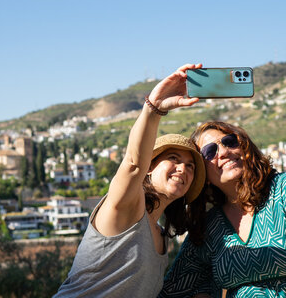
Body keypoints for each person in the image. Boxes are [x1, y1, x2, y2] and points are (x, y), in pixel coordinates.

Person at [54, 64, 207, 298]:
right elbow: (133, 164)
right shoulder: (126, 209)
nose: (182, 169)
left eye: (190, 166)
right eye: (173, 159)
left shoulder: (163, 240)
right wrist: (154, 108)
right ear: (150, 168)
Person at [159, 121, 286, 297]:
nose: (224, 152)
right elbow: (176, 289)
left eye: (229, 141)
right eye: (210, 152)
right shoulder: (210, 227)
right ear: (203, 174)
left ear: (244, 147)